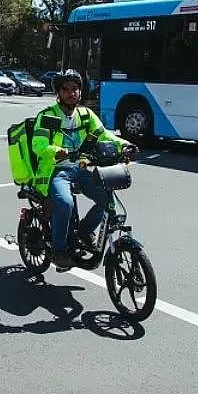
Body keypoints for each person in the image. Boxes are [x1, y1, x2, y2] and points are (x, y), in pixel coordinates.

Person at [31, 69, 134, 271]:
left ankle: (85, 231)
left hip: (80, 168)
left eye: (75, 89)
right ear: (58, 93)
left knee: (106, 199)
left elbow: (104, 135)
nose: (72, 93)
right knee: (65, 203)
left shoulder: (86, 115)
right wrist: (56, 151)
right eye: (66, 89)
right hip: (56, 171)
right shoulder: (49, 115)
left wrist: (125, 144)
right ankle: (59, 250)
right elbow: (38, 145)